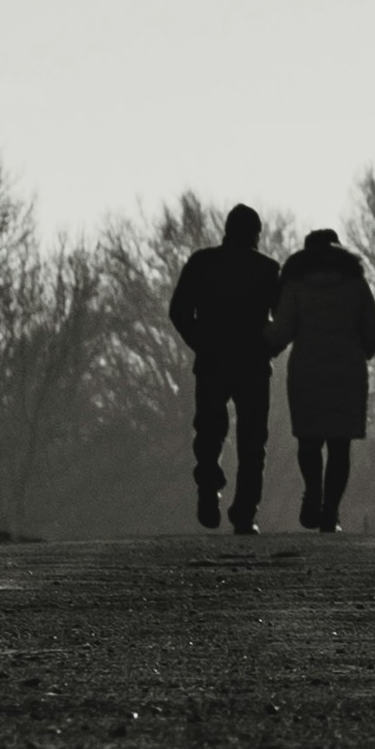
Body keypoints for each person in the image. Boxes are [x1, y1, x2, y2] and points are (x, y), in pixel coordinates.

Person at [266, 223, 375, 534]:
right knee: (339, 445)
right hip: (348, 373)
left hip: (307, 372)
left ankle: (313, 493)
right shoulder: (356, 284)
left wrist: (261, 344)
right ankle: (330, 512)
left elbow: (280, 332)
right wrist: (361, 351)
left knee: (309, 441)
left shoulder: (294, 286)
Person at [166, 204, 279, 533]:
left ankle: (208, 488)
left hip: (213, 361)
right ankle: (244, 512)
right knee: (252, 441)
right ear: (256, 234)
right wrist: (269, 349)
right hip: (253, 366)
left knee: (209, 432)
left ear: (227, 230)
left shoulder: (202, 263)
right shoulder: (268, 269)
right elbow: (284, 321)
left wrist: (200, 342)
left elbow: (179, 311)